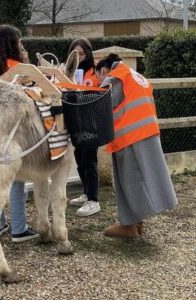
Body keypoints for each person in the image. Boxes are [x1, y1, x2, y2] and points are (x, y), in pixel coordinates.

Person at [95, 53, 178, 238]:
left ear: (103, 70)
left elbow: (104, 106)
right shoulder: (135, 75)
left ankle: (130, 225)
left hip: (130, 135)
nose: (100, 80)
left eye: (99, 76)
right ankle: (136, 223)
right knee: (145, 178)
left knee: (129, 180)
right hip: (147, 131)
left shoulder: (115, 76)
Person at [0, 24, 39, 242]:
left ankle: (1, 224)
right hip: (12, 131)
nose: (22, 46)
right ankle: (19, 229)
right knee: (16, 180)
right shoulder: (19, 69)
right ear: (14, 45)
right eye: (20, 42)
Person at [67, 38, 101, 217]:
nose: (79, 57)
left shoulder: (95, 71)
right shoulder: (70, 71)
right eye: (76, 54)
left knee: (89, 160)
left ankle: (94, 200)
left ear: (88, 53)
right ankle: (86, 192)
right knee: (79, 158)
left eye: (82, 53)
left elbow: (101, 91)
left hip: (92, 121)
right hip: (77, 121)